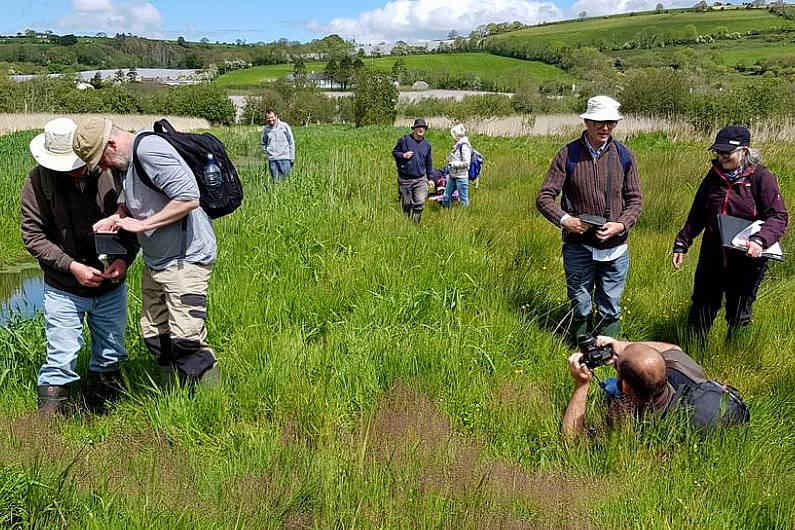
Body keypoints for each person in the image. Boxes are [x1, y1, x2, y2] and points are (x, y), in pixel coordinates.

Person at [72, 117, 219, 388]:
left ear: (112, 144)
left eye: (101, 160)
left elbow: (188, 197)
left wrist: (143, 224)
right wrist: (116, 217)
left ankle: (210, 403)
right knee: (155, 335)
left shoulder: (149, 151)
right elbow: (130, 202)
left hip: (185, 259)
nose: (102, 167)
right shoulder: (123, 165)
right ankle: (171, 393)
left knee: (187, 340)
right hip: (157, 261)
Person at [21, 118, 139, 414]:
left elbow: (135, 224)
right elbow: (33, 237)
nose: (71, 170)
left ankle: (107, 415)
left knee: (112, 354)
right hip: (63, 287)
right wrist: (71, 266)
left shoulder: (113, 173)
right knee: (60, 358)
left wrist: (125, 260)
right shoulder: (38, 181)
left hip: (111, 286)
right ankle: (47, 430)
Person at [536, 96, 643, 340]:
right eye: (598, 122)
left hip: (615, 248)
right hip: (578, 246)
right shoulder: (568, 154)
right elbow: (544, 197)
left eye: (610, 122)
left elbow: (635, 200)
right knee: (580, 303)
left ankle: (608, 352)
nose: (604, 128)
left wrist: (620, 225)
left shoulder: (625, 155)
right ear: (586, 121)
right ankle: (581, 347)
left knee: (611, 305)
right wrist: (566, 221)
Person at [673, 125, 788, 340]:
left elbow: (778, 216)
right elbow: (698, 212)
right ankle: (691, 357)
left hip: (747, 259)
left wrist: (759, 241)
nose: (722, 157)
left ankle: (736, 358)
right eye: (718, 152)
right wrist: (682, 242)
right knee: (701, 310)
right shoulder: (713, 176)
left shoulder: (761, 178)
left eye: (727, 152)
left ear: (744, 151)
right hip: (712, 256)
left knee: (739, 314)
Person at [562, 336, 748, 438]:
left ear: (626, 389)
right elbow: (673, 349)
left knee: (610, 387)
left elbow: (572, 440)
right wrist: (622, 346)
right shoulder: (684, 370)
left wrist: (582, 385)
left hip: (634, 407)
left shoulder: (625, 417)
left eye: (618, 368)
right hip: (709, 408)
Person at [393, 118, 433, 224]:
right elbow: (395, 152)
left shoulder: (427, 145)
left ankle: (415, 224)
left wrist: (431, 178)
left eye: (423, 127)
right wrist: (403, 155)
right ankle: (405, 222)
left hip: (420, 179)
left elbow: (429, 163)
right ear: (414, 129)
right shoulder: (404, 140)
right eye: (418, 127)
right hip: (405, 178)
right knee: (406, 203)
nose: (420, 129)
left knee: (420, 201)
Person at [260, 110, 295, 183]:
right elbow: (263, 143)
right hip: (272, 160)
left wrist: (292, 157)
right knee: (275, 182)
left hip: (285, 159)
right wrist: (267, 153)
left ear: (276, 116)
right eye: (268, 118)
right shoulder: (266, 129)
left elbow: (291, 142)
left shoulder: (284, 126)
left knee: (286, 182)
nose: (270, 119)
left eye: (272, 117)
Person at [442, 124, 472, 208]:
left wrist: (453, 164)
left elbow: (466, 163)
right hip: (453, 176)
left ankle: (465, 218)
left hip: (461, 177)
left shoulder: (465, 146)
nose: (452, 137)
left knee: (463, 200)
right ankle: (445, 213)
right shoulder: (458, 145)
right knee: (446, 196)